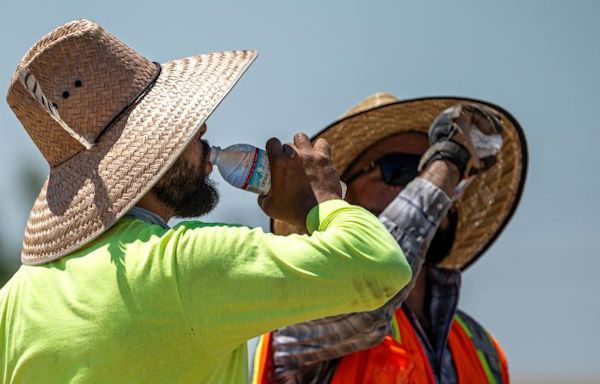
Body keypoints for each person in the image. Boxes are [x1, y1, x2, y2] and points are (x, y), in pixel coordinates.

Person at [0, 21, 413, 383]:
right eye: (180, 123)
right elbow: (380, 266)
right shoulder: (186, 265)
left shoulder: (15, 301)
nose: (202, 128)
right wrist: (321, 199)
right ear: (144, 149)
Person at [253, 93, 528, 383]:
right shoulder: (303, 307)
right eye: (399, 169)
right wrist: (450, 159)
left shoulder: (482, 348)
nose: (430, 182)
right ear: (345, 200)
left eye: (430, 169)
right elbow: (370, 289)